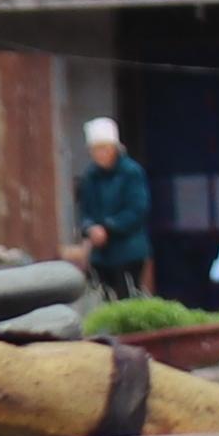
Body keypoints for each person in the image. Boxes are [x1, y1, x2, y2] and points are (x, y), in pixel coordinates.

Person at [75, 115, 158, 300]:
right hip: (101, 256)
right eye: (95, 150)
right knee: (103, 299)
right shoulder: (90, 177)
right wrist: (90, 228)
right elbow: (84, 212)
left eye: (104, 148)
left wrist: (109, 228)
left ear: (114, 148)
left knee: (127, 298)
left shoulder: (131, 172)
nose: (100, 154)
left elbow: (138, 209)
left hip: (128, 251)